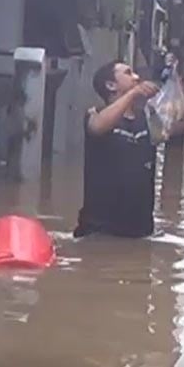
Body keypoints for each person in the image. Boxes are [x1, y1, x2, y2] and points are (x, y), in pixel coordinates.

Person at [74, 61, 161, 238]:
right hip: (100, 230)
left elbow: (182, 124)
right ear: (110, 85)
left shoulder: (146, 119)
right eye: (129, 73)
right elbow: (97, 127)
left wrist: (177, 80)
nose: (136, 77)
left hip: (140, 231)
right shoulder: (95, 113)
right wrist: (134, 93)